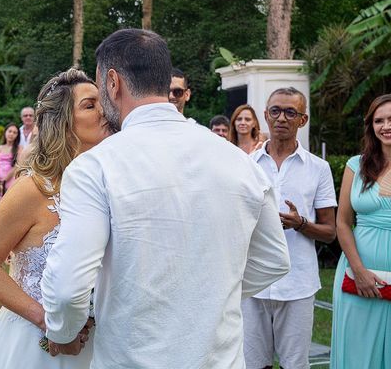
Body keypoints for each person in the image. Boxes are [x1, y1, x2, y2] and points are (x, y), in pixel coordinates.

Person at [41, 29, 290, 368]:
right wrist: (209, 293)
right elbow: (274, 259)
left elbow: (69, 287)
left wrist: (60, 330)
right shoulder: (238, 162)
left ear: (112, 83)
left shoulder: (96, 166)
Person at [0, 68, 109, 368]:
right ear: (64, 123)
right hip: (34, 347)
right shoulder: (32, 190)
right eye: (90, 104)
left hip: (97, 345)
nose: (104, 110)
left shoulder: (107, 188)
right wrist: (47, 321)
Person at [242, 87, 337, 369]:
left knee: (294, 364)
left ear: (302, 119)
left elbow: (330, 232)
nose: (281, 118)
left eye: (290, 112)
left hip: (298, 283)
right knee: (252, 363)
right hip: (253, 282)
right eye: (275, 111)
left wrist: (301, 224)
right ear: (266, 115)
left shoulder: (318, 168)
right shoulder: (247, 164)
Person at [330, 94, 391, 368]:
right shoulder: (356, 165)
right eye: (379, 120)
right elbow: (342, 222)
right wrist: (360, 271)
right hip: (357, 277)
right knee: (357, 354)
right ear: (371, 126)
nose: (385, 126)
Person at [0, 122, 21, 194]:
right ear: (5, 132)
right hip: (0, 182)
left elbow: (16, 166)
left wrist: (4, 181)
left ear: (17, 135)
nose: (11, 134)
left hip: (11, 180)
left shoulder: (19, 148)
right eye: (10, 131)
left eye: (14, 132)